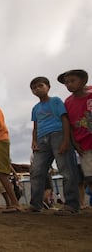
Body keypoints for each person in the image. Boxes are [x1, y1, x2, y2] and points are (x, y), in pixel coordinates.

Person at [29, 76, 80, 215]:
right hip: (41, 140)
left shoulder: (56, 101)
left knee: (66, 169)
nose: (37, 89)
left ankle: (72, 205)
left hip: (58, 135)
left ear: (48, 87)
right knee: (36, 171)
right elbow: (35, 126)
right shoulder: (35, 108)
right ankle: (35, 204)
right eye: (34, 88)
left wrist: (65, 140)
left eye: (40, 86)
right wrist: (34, 141)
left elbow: (65, 119)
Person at [58, 69, 92, 208]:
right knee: (89, 176)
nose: (69, 85)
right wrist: (74, 141)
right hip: (84, 144)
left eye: (72, 81)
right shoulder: (68, 102)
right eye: (66, 83)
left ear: (83, 80)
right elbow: (69, 124)